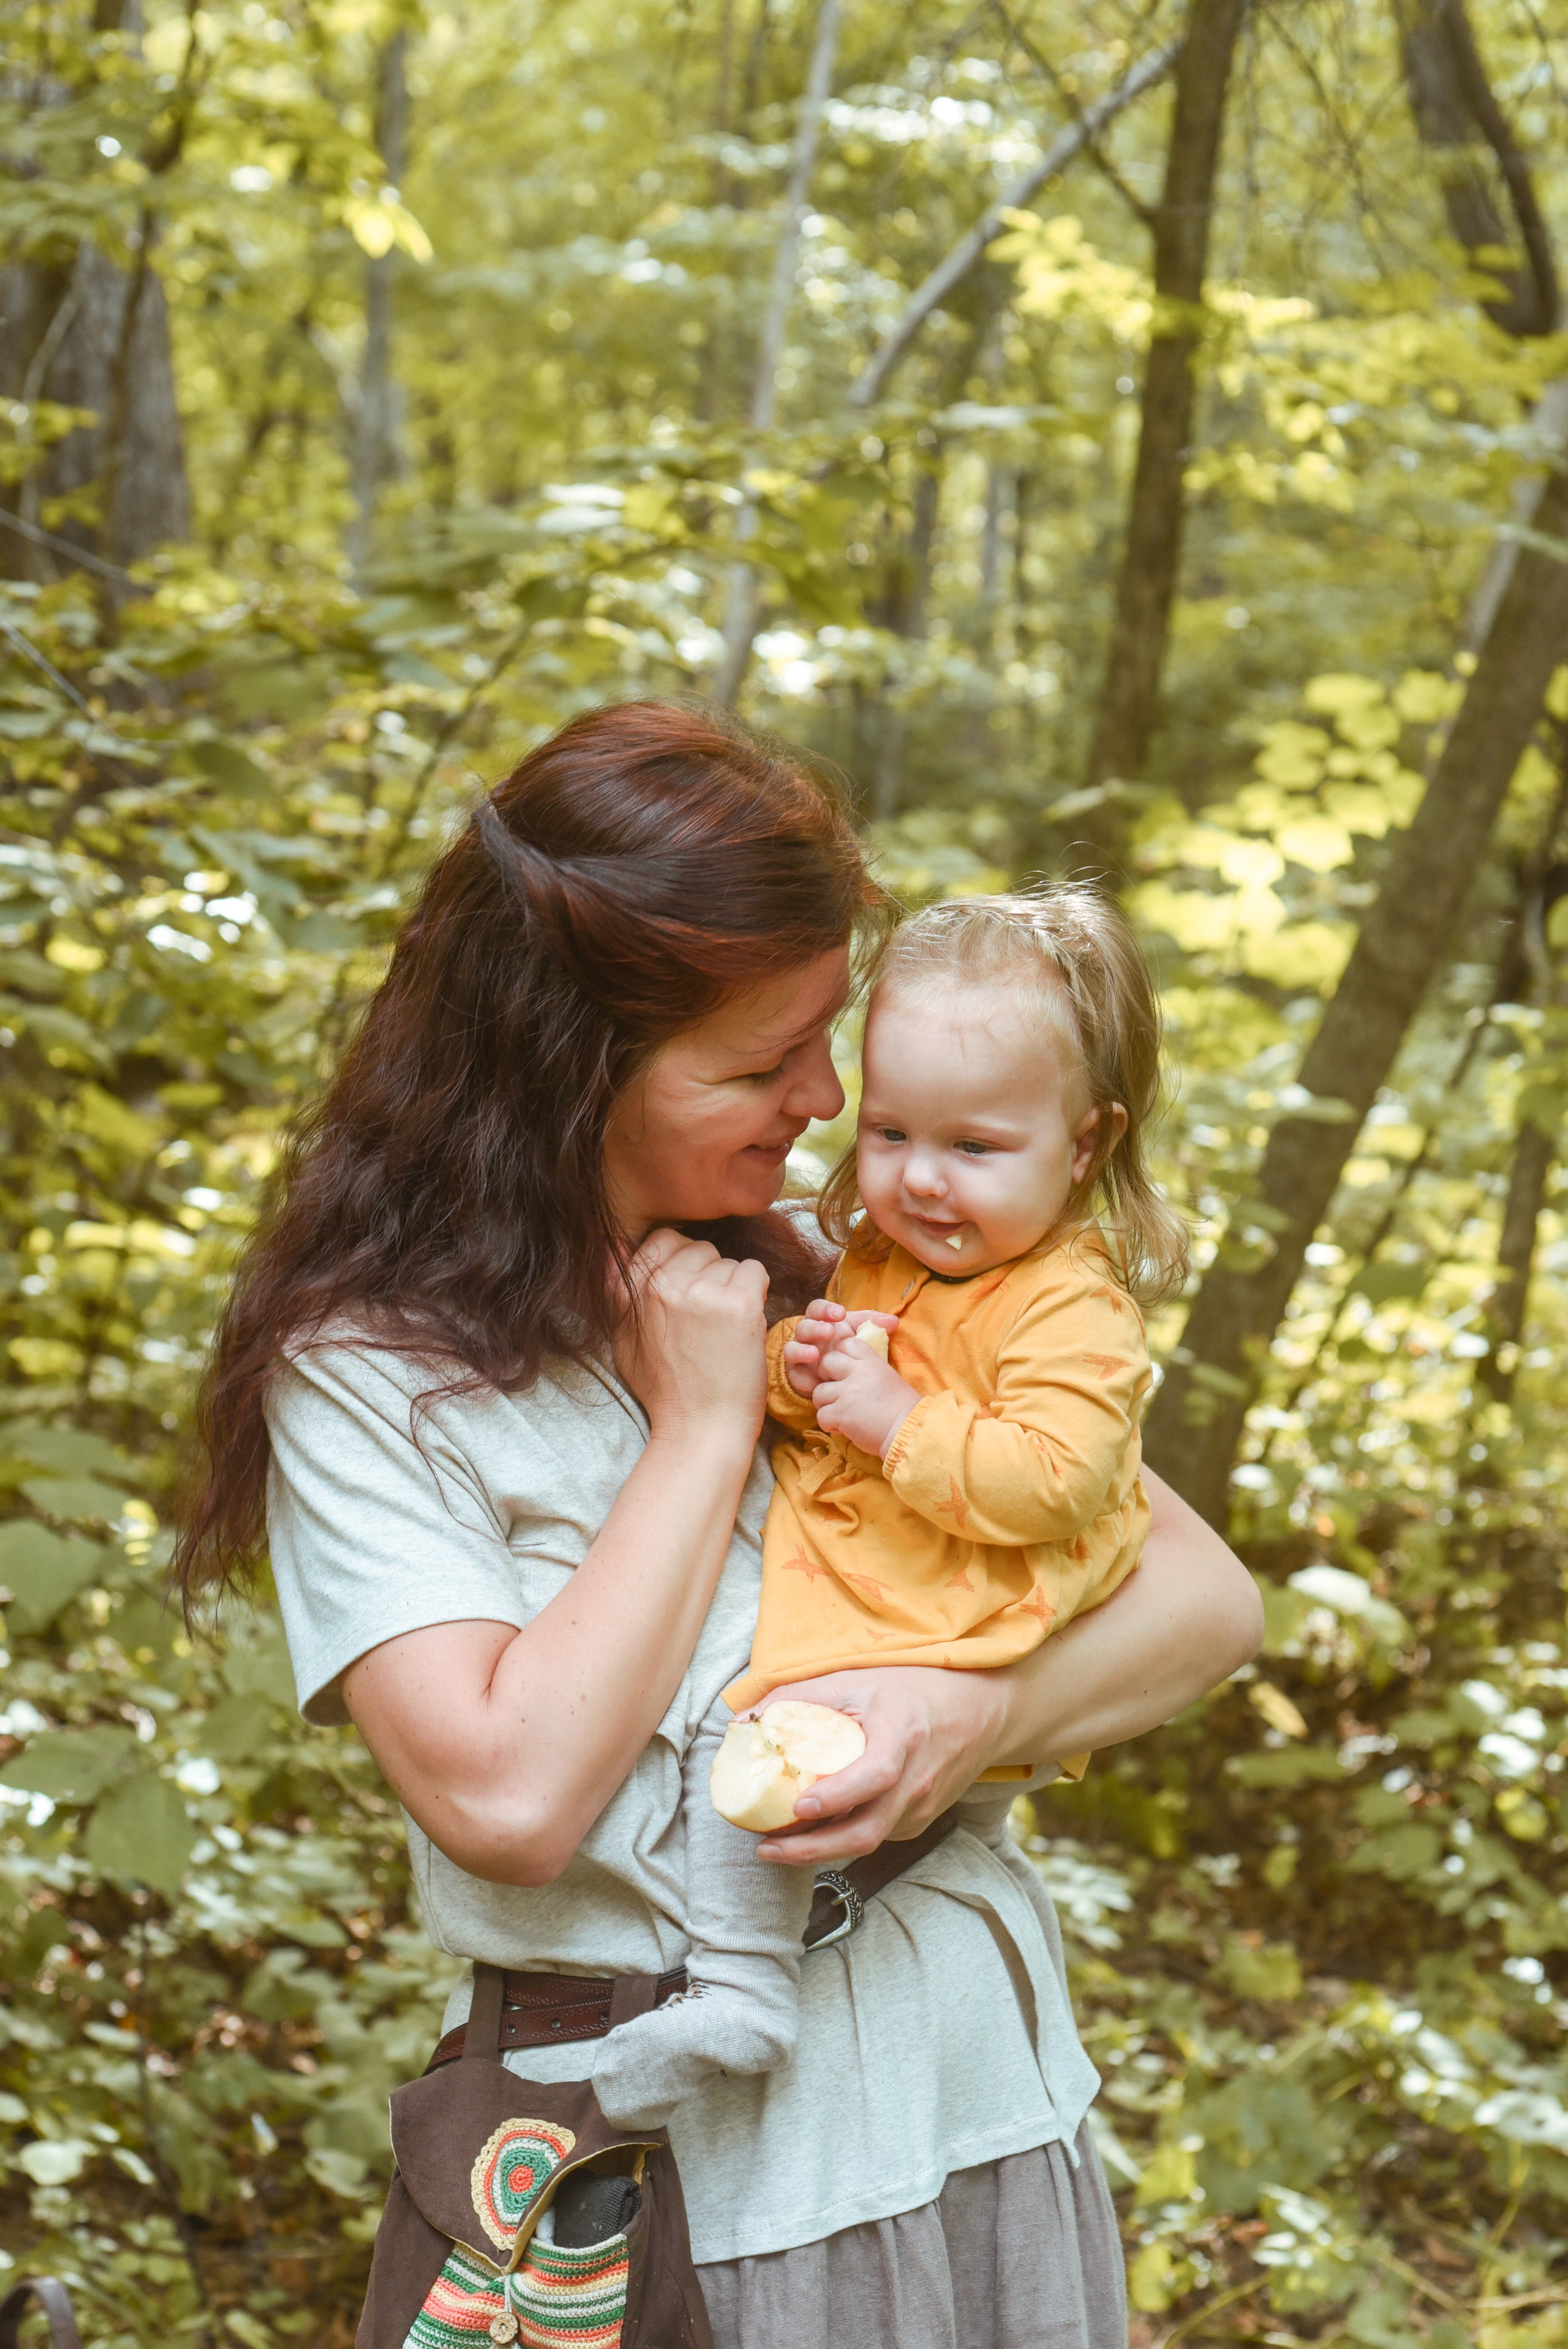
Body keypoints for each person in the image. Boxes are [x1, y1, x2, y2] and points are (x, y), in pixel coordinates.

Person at [175, 700, 1262, 2349]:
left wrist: (972, 1716)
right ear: (575, 1064)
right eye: (766, 1061)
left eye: (832, 1036)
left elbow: (1199, 1595)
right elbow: (508, 1793)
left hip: (969, 2090)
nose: (830, 1101)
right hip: (667, 2151)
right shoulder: (372, 1373)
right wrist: (700, 1430)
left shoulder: (852, 1268)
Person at [590, 887, 1189, 2133]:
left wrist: (885, 1417)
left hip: (966, 1581)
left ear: (1084, 1144)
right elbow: (836, 1388)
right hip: (896, 1558)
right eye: (892, 1131)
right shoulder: (896, 1254)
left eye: (973, 1148)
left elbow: (1055, 1479)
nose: (919, 1180)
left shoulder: (1069, 1305)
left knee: (748, 1722)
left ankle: (741, 1985)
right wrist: (787, 1374)